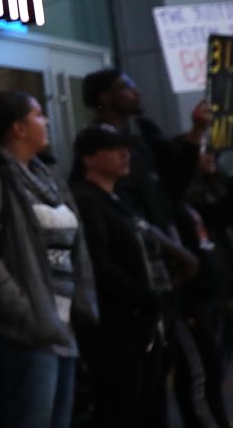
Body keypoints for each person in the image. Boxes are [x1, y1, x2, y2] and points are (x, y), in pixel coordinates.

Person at [0, 91, 97, 428]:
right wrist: (28, 313)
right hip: (18, 330)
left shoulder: (46, 175)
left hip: (59, 324)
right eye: (39, 115)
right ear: (18, 128)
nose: (45, 121)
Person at [82, 68, 220, 428]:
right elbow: (113, 242)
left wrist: (195, 135)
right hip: (141, 289)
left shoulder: (141, 137)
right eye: (124, 87)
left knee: (171, 380)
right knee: (147, 390)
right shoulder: (95, 188)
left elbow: (169, 193)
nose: (136, 91)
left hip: (166, 278)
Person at [68, 125, 169, 427]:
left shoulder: (117, 200)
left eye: (125, 147)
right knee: (122, 406)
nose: (125, 155)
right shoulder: (87, 200)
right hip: (113, 324)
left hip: (137, 318)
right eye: (114, 148)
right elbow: (98, 263)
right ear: (89, 158)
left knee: (146, 403)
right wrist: (146, 297)